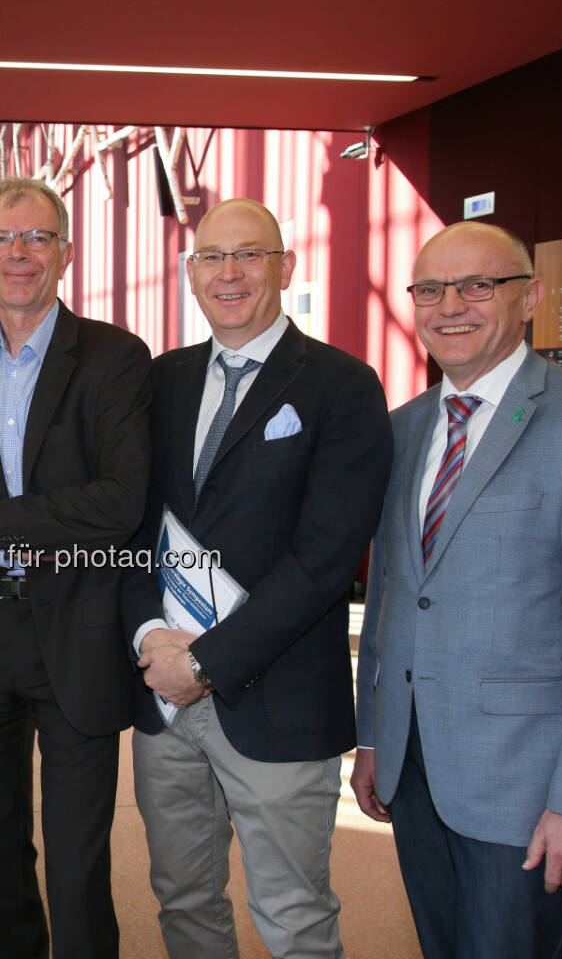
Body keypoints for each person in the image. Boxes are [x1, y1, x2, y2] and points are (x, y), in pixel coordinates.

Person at [351, 220, 562, 959]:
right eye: (430, 288)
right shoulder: (401, 430)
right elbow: (394, 594)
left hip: (524, 782)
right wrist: (372, 737)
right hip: (413, 766)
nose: (449, 304)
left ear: (531, 298)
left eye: (477, 285)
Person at [122, 197, 392, 959]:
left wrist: (206, 663)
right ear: (190, 273)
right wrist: (154, 642)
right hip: (164, 699)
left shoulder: (341, 385)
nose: (230, 273)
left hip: (275, 699)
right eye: (212, 257)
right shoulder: (163, 381)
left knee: (294, 917)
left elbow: (325, 560)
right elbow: (134, 530)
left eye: (249, 255)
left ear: (286, 268)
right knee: (182, 901)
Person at [0, 177, 151, 958]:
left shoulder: (115, 358)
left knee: (77, 862)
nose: (19, 253)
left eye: (37, 237)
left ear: (65, 252)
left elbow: (120, 503)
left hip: (76, 629)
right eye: (2, 238)